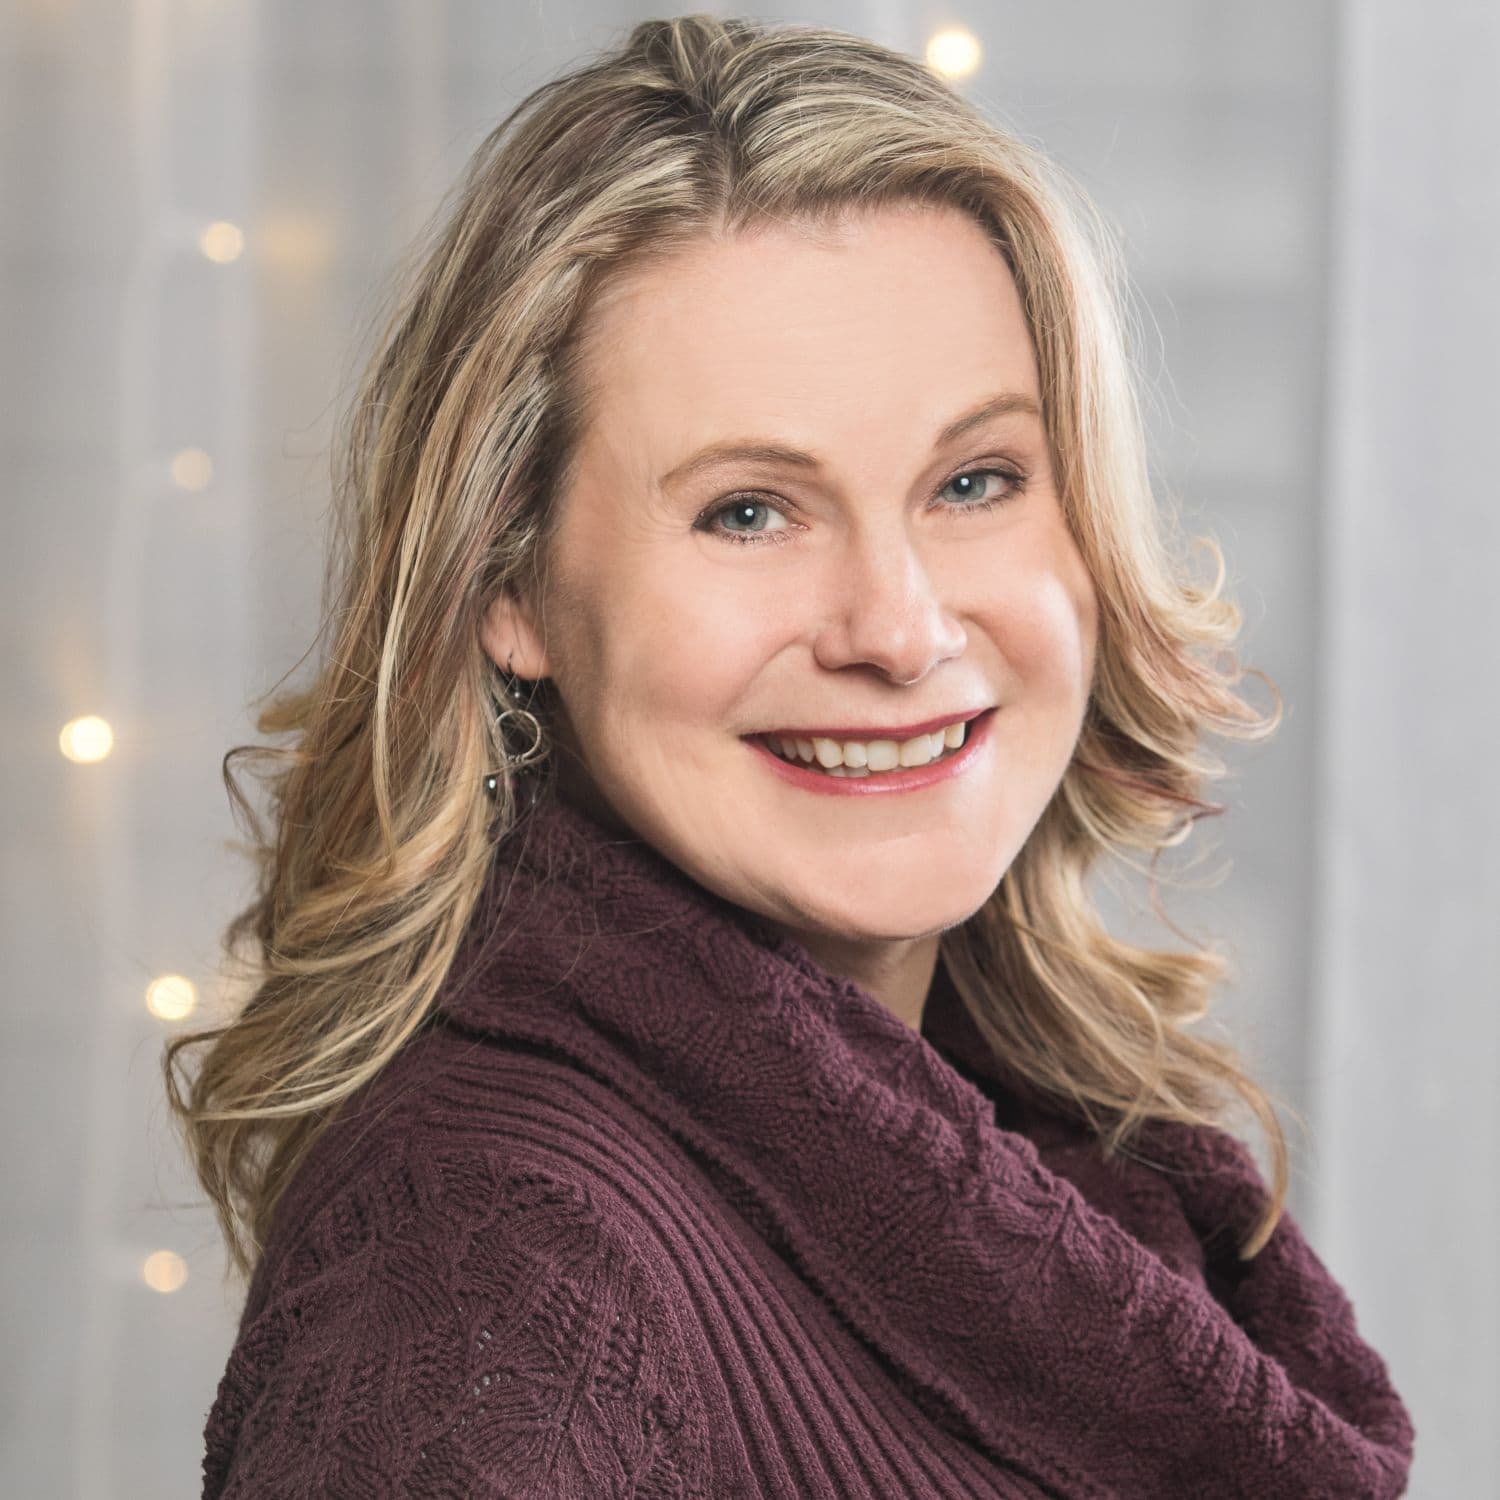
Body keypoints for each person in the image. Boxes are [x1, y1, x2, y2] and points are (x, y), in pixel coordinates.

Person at [167, 15, 1416, 1498]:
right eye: (749, 511)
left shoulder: (1063, 1156)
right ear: (510, 588)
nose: (899, 628)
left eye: (976, 481)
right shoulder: (492, 1288)